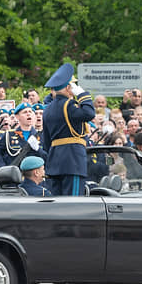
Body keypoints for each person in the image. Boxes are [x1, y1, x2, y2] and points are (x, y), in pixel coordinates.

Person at [41, 63, 95, 196]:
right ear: (68, 87)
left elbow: (46, 142)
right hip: (72, 162)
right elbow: (89, 113)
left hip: (54, 163)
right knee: (73, 205)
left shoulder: (47, 109)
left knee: (57, 206)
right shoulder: (69, 105)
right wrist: (83, 95)